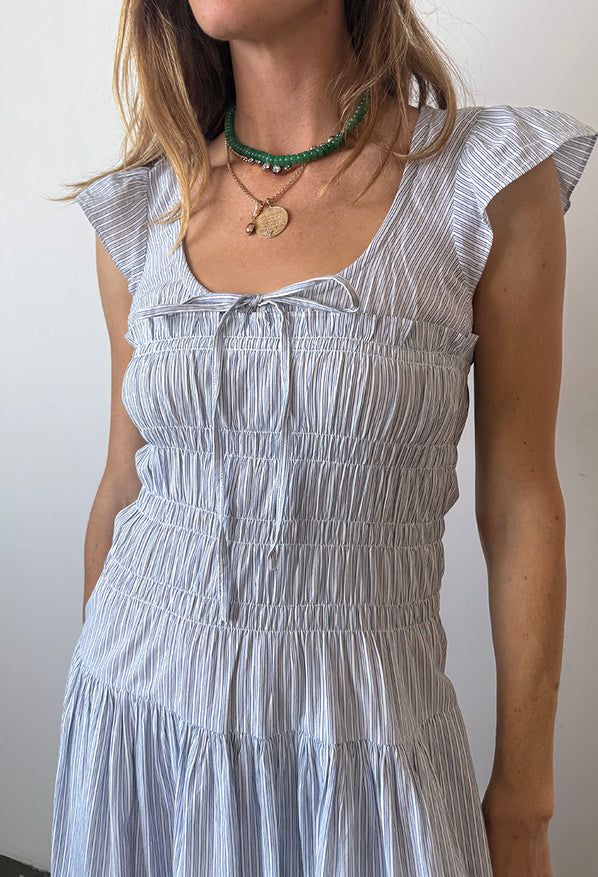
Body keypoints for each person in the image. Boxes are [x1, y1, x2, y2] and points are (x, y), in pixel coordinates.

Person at [50, 1, 597, 874]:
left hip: (367, 745)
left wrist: (524, 807)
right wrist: (99, 727)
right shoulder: (143, 211)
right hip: (139, 722)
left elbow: (523, 501)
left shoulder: (484, 183)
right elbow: (123, 488)